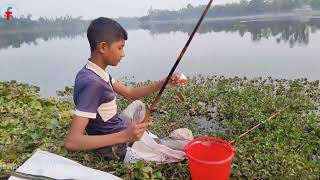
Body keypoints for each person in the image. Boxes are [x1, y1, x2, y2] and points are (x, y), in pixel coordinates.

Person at [64, 17, 182, 161]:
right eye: (120, 47)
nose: (123, 53)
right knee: (183, 146)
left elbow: (130, 94)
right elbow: (72, 141)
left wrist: (161, 84)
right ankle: (146, 141)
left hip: (114, 127)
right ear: (103, 47)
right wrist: (125, 135)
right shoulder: (93, 84)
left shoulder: (92, 71)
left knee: (138, 105)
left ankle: (144, 139)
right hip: (116, 146)